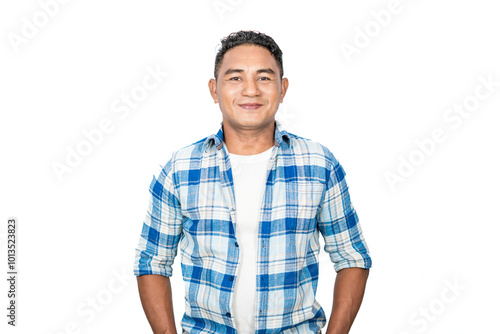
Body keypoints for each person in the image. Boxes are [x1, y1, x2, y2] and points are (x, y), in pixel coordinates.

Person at [134, 30, 372, 334]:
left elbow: (352, 257)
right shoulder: (180, 169)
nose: (250, 90)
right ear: (214, 89)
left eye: (264, 77)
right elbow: (152, 262)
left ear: (282, 88)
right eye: (235, 78)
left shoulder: (319, 164)